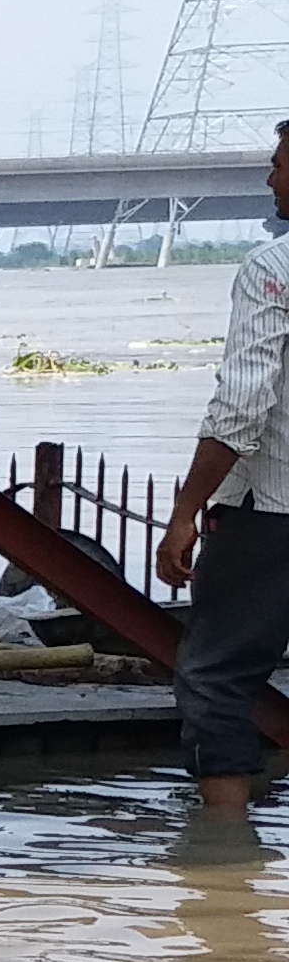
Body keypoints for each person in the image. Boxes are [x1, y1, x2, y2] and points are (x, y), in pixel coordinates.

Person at [157, 116, 289, 819]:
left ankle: (227, 859)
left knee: (215, 678)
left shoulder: (273, 268)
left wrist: (185, 513)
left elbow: (241, 406)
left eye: (278, 164)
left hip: (271, 514)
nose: (270, 178)